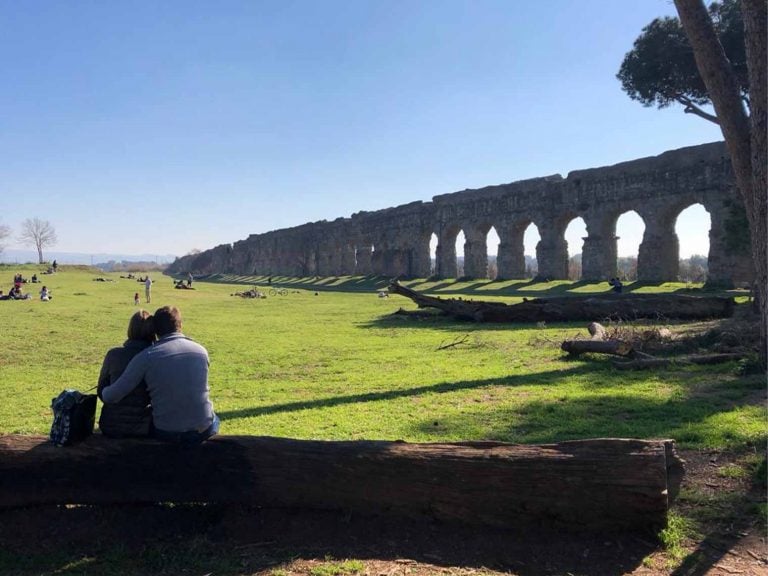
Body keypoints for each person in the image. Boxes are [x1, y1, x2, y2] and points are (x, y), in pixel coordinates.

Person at [101, 306, 219, 444]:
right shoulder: (201, 351)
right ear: (180, 325)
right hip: (203, 429)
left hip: (167, 431)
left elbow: (111, 396)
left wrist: (103, 388)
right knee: (212, 417)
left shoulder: (146, 357)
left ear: (155, 330)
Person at [97, 311, 156, 438]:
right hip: (145, 426)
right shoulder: (156, 358)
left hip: (111, 424)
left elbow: (101, 391)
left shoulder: (113, 355)